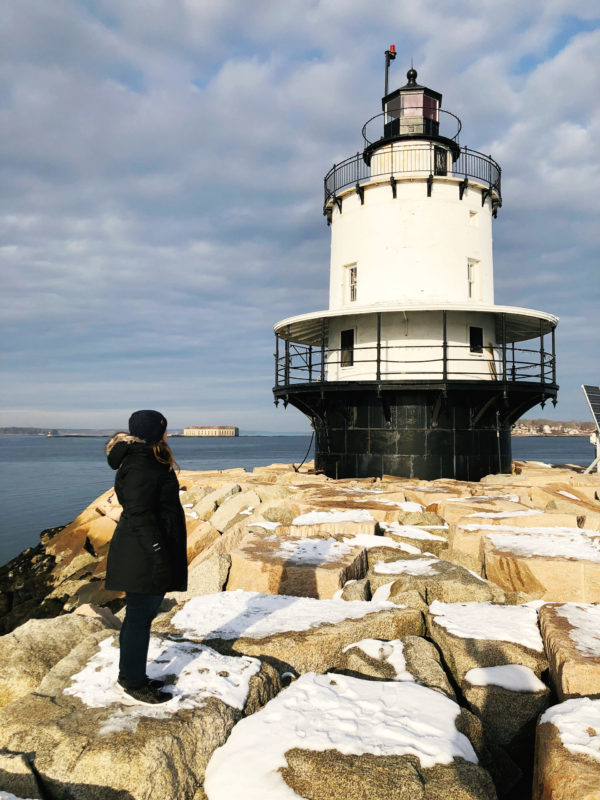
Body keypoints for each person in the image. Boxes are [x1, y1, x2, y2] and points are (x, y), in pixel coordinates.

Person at [105, 410, 187, 704]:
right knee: (140, 619)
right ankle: (132, 683)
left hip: (145, 548)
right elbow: (139, 513)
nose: (167, 434)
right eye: (164, 429)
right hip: (144, 552)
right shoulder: (143, 464)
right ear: (155, 432)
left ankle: (131, 674)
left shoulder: (147, 459)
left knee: (138, 617)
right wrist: (157, 550)